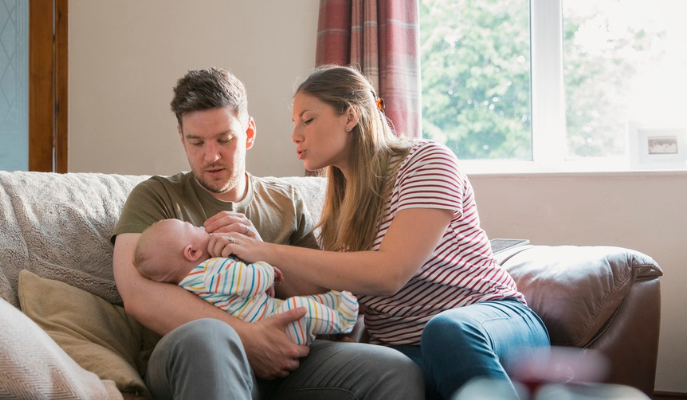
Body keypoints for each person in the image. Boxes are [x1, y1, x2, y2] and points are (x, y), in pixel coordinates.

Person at [209, 65, 551, 400]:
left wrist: (267, 251)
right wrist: (254, 262)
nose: (295, 135)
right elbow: (337, 300)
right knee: (380, 371)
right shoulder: (338, 213)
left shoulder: (426, 161)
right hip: (410, 351)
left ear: (350, 116)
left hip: (492, 323)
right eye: (294, 123)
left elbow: (390, 273)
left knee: (446, 333)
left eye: (308, 119)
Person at [112, 67, 424, 399]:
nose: (211, 155)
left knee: (395, 369)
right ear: (181, 138)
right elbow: (137, 294)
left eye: (224, 139)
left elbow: (319, 291)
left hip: (291, 355)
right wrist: (246, 337)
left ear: (248, 133)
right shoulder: (156, 196)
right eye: (196, 142)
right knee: (207, 337)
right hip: (193, 353)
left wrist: (261, 249)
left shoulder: (285, 201)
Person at [133, 218, 359, 345]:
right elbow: (249, 281)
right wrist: (265, 267)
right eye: (193, 228)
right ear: (191, 252)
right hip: (277, 330)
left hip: (268, 313)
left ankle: (334, 301)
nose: (201, 227)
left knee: (307, 302)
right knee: (298, 308)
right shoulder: (211, 270)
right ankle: (342, 319)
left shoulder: (189, 285)